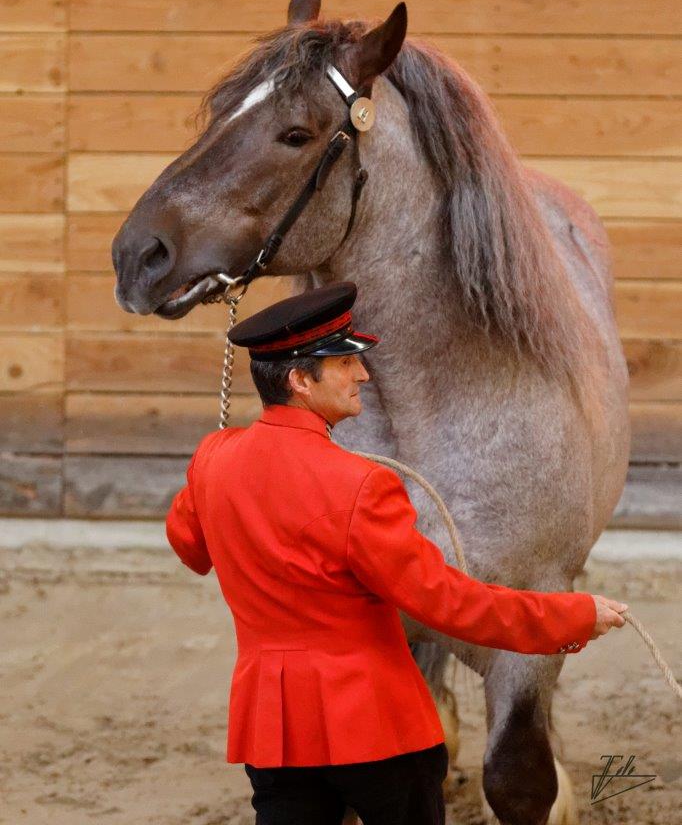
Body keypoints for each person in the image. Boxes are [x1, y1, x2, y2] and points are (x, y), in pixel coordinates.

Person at [165, 281, 628, 825]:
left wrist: (214, 472)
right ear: (298, 379)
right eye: (345, 362)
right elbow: (449, 604)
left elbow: (191, 549)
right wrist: (572, 614)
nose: (363, 374)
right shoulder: (362, 484)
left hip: (276, 730)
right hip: (376, 726)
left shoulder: (214, 458)